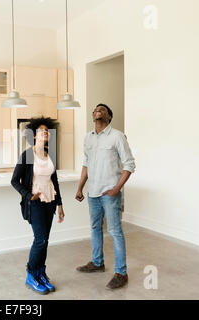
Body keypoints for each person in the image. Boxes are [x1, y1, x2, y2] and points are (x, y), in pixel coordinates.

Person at [75, 103, 136, 289]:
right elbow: (86, 164)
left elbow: (129, 164)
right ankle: (97, 263)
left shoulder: (117, 136)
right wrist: (80, 188)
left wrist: (117, 188)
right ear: (93, 116)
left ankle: (121, 273)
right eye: (95, 110)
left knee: (115, 231)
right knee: (95, 228)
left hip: (109, 192)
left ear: (109, 116)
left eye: (102, 109)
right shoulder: (88, 137)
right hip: (92, 192)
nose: (98, 111)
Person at [11, 116, 65, 295]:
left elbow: (54, 181)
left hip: (49, 202)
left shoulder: (49, 155)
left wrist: (60, 204)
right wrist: (28, 196)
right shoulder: (27, 155)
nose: (45, 132)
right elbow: (14, 181)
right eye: (41, 130)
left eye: (47, 130)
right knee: (39, 240)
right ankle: (31, 274)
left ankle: (40, 273)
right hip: (35, 203)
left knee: (45, 241)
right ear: (34, 135)